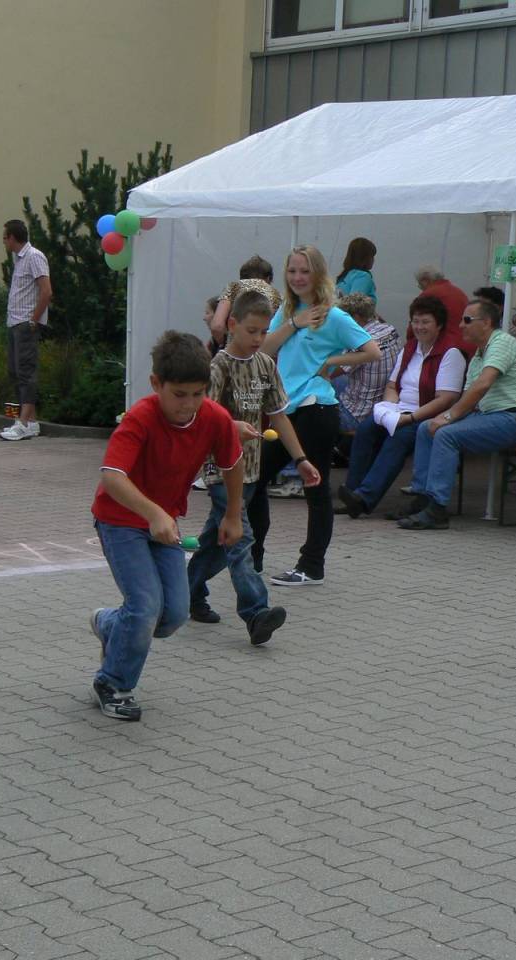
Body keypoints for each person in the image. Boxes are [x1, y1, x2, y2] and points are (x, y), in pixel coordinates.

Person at [88, 331, 244, 721]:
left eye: (197, 393)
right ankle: (112, 683)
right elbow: (112, 477)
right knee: (144, 609)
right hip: (120, 520)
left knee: (173, 613)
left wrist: (232, 514)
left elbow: (232, 464)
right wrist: (154, 513)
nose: (188, 405)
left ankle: (110, 623)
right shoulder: (140, 417)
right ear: (157, 384)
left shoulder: (214, 418)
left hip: (163, 526)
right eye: (179, 394)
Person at [187, 292, 321, 642]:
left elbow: (279, 414)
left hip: (251, 471)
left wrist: (301, 459)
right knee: (240, 540)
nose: (259, 339)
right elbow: (201, 417)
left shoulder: (265, 364)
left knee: (216, 544)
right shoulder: (218, 366)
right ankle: (256, 612)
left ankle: (184, 590)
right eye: (252, 331)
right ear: (232, 325)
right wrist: (230, 427)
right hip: (220, 471)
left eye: (264, 331)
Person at [248, 245, 381, 586]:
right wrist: (294, 322)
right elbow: (263, 350)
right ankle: (252, 556)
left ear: (318, 274)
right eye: (292, 271)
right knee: (255, 478)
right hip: (286, 410)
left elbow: (372, 351)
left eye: (304, 271)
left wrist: (330, 363)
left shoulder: (333, 315)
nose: (297, 278)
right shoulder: (288, 311)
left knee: (315, 486)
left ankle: (311, 565)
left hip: (317, 408)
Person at [396, 298, 516, 530]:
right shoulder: (480, 354)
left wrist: (449, 417)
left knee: (445, 434)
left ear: (487, 322)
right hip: (491, 417)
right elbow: (469, 398)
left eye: (467, 320)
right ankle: (423, 497)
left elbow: (482, 385)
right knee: (426, 428)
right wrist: (443, 418)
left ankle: (437, 509)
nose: (461, 325)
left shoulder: (502, 342)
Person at [338, 295, 465, 518]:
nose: (419, 327)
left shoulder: (450, 353)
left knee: (399, 437)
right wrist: (388, 407)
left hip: (427, 414)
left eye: (425, 322)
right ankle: (352, 491)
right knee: (366, 429)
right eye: (415, 321)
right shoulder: (411, 348)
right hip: (399, 410)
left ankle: (365, 498)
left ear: (439, 324)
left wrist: (411, 417)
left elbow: (445, 399)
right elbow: (392, 385)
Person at [0, 220, 52, 441]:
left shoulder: (34, 256)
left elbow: (46, 291)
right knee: (15, 371)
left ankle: (21, 423)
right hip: (15, 323)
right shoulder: (18, 259)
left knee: (26, 373)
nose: (4, 241)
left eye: (5, 237)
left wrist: (33, 320)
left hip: (25, 324)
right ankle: (31, 421)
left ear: (12, 238)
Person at [327, 292, 402, 434]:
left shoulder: (361, 344)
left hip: (355, 414)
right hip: (383, 400)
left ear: (354, 318)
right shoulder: (390, 329)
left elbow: (327, 372)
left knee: (315, 389)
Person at [209, 255, 283, 340]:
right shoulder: (278, 295)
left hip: (236, 348)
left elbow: (217, 326)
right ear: (269, 278)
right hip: (265, 349)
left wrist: (224, 344)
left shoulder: (233, 287)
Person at [474, 286, 516, 363]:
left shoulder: (510, 333)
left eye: (483, 307)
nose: (477, 311)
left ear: (499, 308)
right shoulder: (485, 331)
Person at [414, 265, 468, 337]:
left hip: (446, 342)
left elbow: (414, 328)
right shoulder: (459, 292)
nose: (420, 287)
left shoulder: (427, 295)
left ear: (426, 280)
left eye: (419, 284)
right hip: (467, 340)